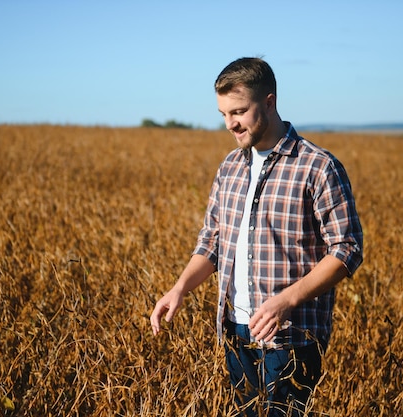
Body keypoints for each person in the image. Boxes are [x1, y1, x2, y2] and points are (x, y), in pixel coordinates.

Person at [150, 57, 363, 416]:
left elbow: (347, 249)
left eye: (239, 111)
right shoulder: (230, 166)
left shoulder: (318, 166)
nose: (231, 124)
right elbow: (212, 242)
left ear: (269, 101)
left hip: (292, 338)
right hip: (235, 332)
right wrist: (180, 288)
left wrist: (286, 301)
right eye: (223, 115)